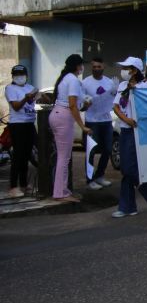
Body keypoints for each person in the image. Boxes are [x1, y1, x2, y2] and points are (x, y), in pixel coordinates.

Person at [112, 57, 147, 217]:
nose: (124, 71)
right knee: (127, 169)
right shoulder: (123, 85)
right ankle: (128, 206)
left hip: (138, 132)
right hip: (125, 129)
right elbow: (116, 106)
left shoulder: (144, 87)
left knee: (130, 168)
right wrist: (126, 119)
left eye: (127, 68)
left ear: (135, 70)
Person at [49, 54, 92, 203]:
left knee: (62, 157)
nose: (82, 68)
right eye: (81, 65)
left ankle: (62, 190)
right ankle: (61, 192)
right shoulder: (73, 80)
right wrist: (82, 126)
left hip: (57, 114)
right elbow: (72, 105)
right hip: (64, 116)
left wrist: (84, 105)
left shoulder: (65, 78)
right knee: (64, 158)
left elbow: (76, 104)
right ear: (77, 66)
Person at [82, 57, 117, 190]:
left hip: (106, 120)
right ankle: (89, 179)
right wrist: (86, 104)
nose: (97, 69)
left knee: (107, 149)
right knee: (91, 151)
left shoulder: (109, 82)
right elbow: (81, 106)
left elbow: (114, 101)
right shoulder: (85, 83)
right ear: (91, 67)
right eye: (94, 67)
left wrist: (114, 92)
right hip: (92, 121)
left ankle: (100, 175)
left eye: (99, 67)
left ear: (103, 67)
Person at [4, 65, 38, 199]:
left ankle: (24, 184)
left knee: (26, 155)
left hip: (29, 123)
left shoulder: (30, 87)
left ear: (26, 75)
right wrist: (26, 98)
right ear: (13, 76)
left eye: (22, 74)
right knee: (18, 156)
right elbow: (16, 107)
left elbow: (38, 99)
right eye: (17, 75)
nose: (20, 77)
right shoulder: (10, 88)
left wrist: (42, 97)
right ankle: (13, 186)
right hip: (17, 125)